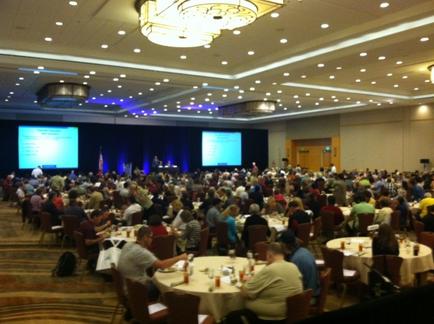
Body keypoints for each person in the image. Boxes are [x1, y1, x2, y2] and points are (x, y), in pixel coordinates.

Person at [117, 226, 187, 299]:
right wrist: (180, 257)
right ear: (145, 237)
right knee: (166, 288)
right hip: (135, 290)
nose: (152, 240)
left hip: (126, 285)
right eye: (151, 237)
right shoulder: (140, 252)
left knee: (156, 281)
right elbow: (161, 265)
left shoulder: (128, 244)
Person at [241, 243, 303, 322]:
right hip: (291, 312)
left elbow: (245, 293)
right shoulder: (293, 266)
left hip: (271, 318)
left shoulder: (270, 269)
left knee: (233, 316)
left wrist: (244, 282)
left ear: (269, 255)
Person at [279, 230, 320, 302]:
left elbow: (292, 285)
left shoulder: (296, 260)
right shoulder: (304, 251)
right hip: (314, 290)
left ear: (284, 245)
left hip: (308, 297)